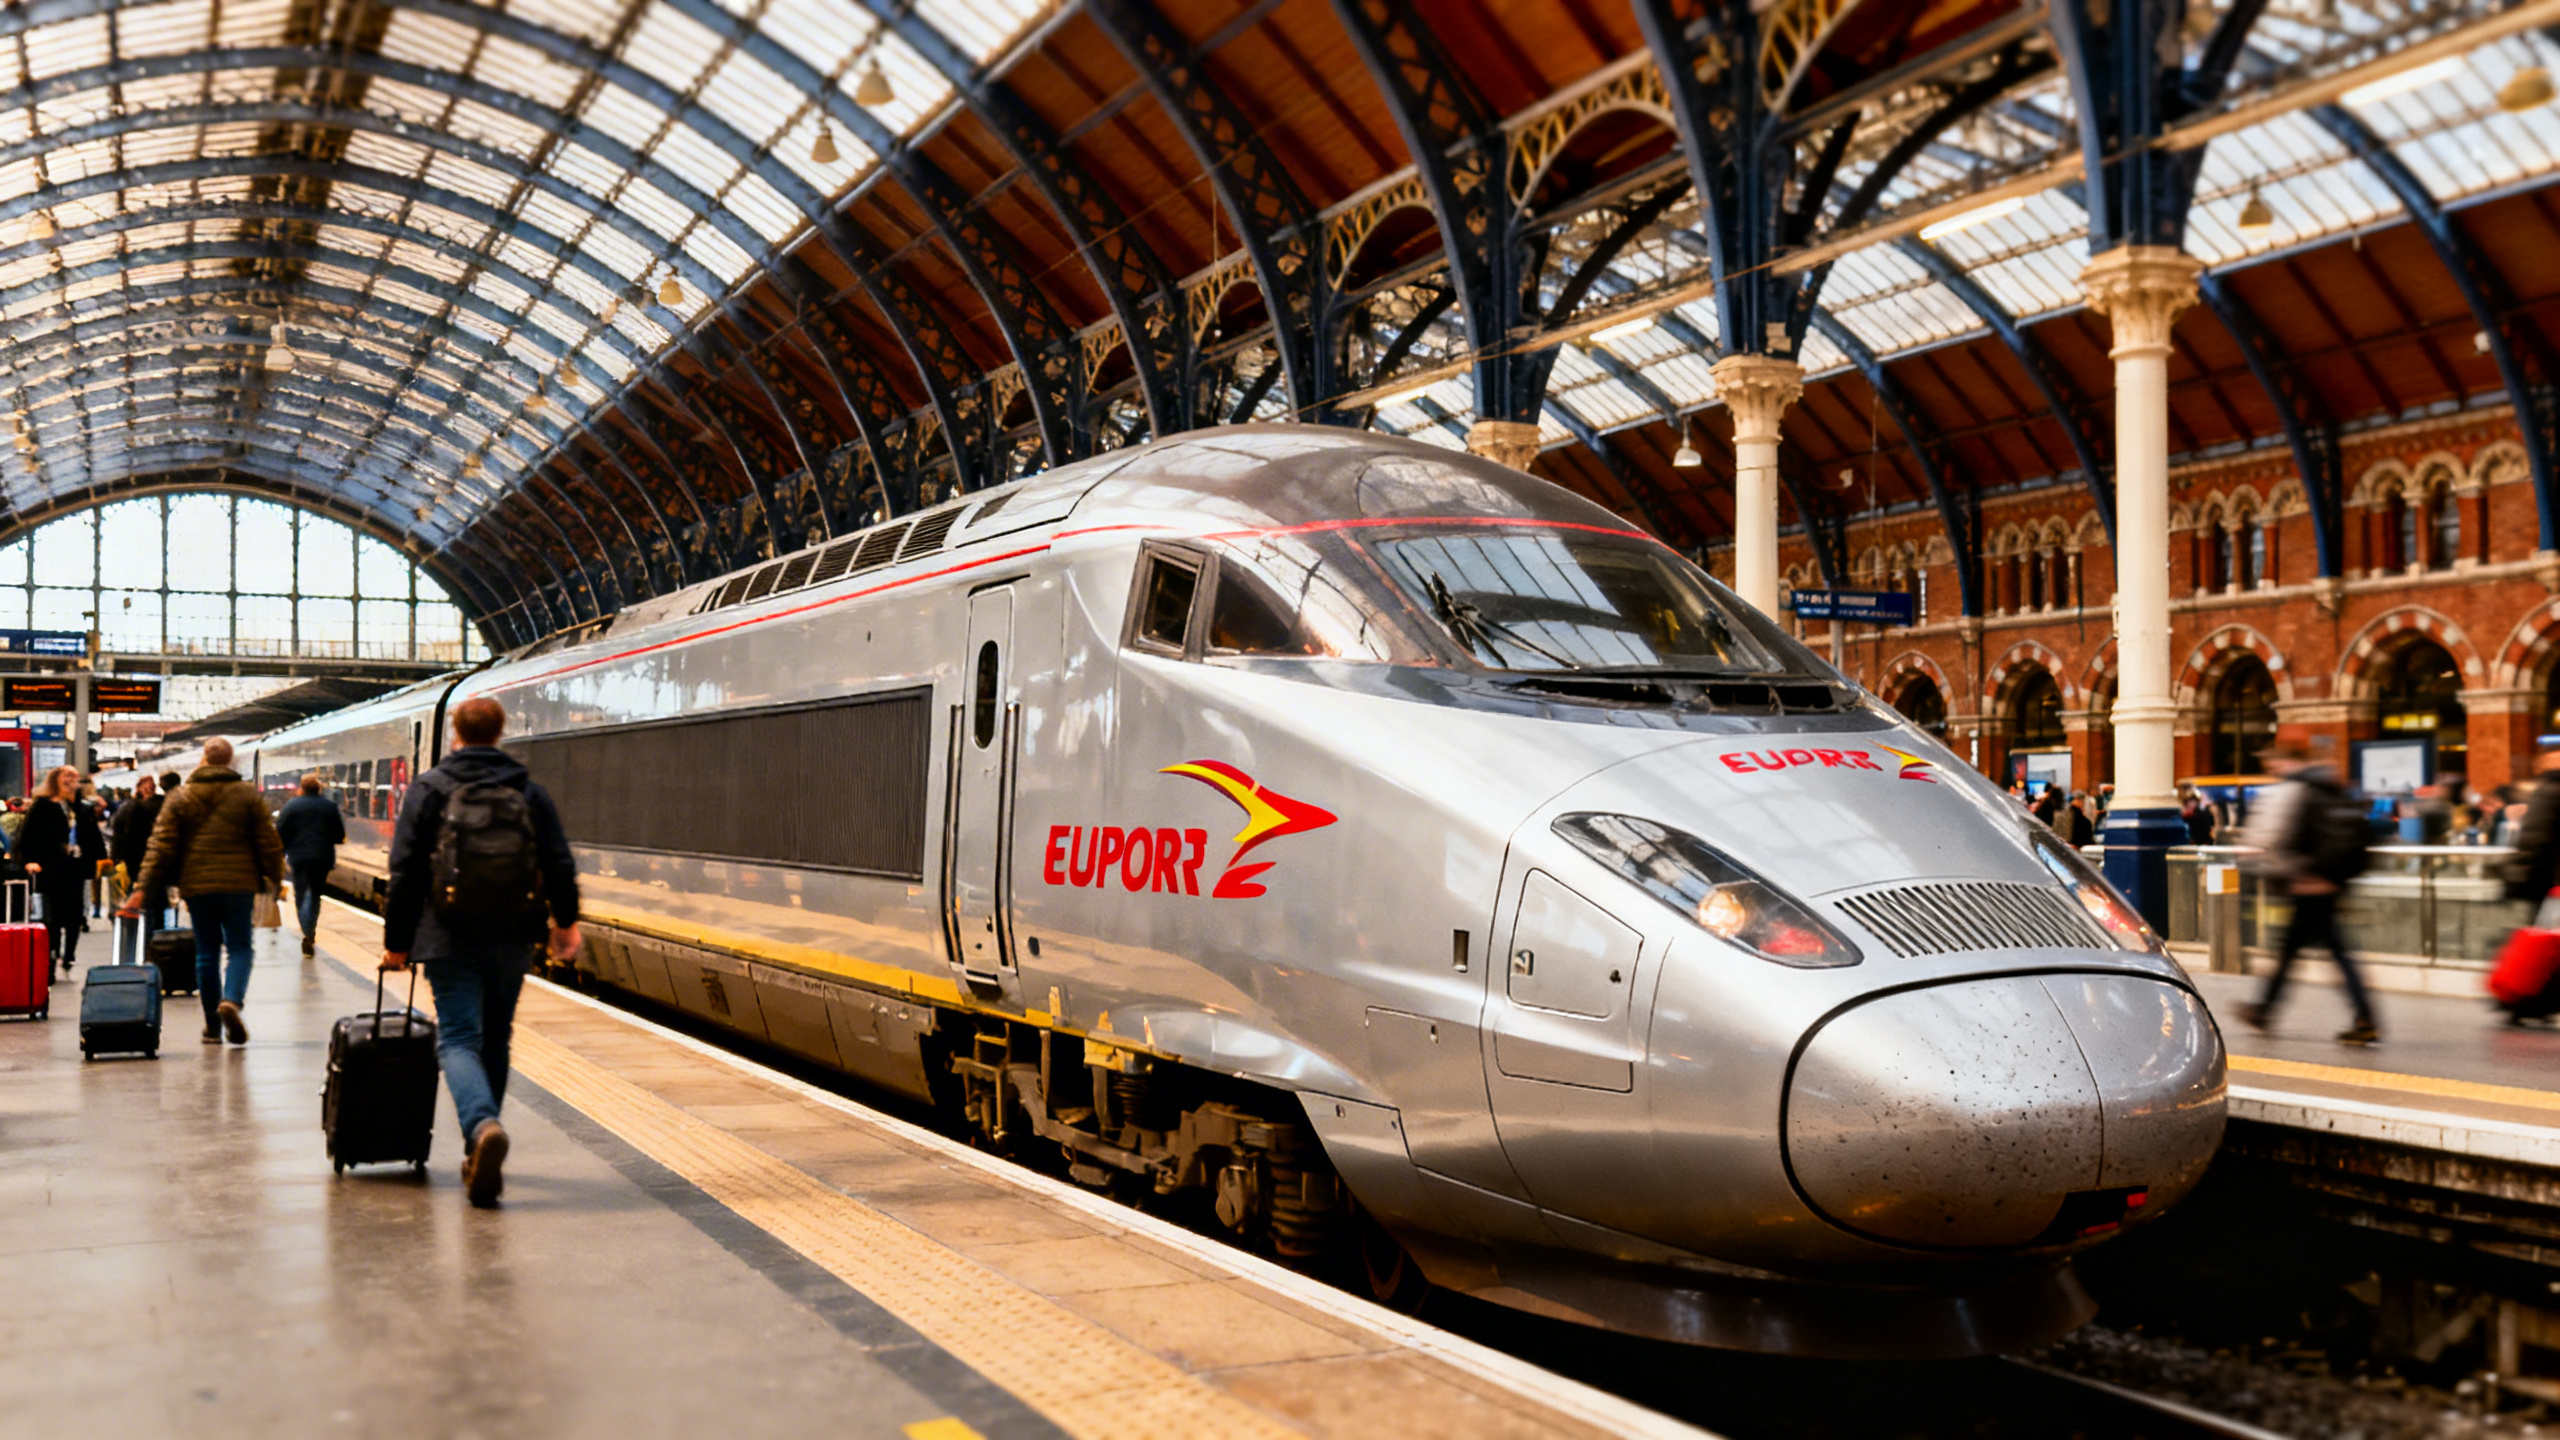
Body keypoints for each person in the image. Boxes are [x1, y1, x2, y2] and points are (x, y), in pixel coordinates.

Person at [382, 697, 579, 1208]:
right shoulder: (528, 790)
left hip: (445, 936)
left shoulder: (428, 789)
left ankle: (482, 1127)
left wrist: (397, 945)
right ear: (500, 732)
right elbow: (558, 861)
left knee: (458, 1039)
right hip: (513, 936)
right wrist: (566, 924)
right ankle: (480, 1144)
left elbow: (404, 872)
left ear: (455, 734)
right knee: (497, 1037)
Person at [117, 738, 284, 1045]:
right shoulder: (247, 795)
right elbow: (269, 843)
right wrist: (275, 880)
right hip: (239, 884)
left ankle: (212, 1026)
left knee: (206, 952)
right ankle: (231, 1000)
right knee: (240, 948)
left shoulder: (181, 796)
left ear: (204, 759)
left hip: (196, 886)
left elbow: (159, 847)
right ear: (231, 761)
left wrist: (141, 889)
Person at [2237, 738, 2380, 1046]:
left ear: (2288, 761)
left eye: (2275, 763)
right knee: (2301, 951)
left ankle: (2365, 1015)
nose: (2273, 769)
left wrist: (2269, 863)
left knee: (2323, 952)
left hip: (2306, 883)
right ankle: (2263, 1010)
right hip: (2331, 882)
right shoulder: (2332, 786)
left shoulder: (2295, 789)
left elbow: (2276, 836)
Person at [17, 766, 104, 977]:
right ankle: (52, 953)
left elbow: (92, 836)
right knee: (52, 916)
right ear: (55, 780)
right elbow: (28, 836)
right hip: (51, 867)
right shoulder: (43, 806)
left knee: (75, 913)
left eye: (74, 777)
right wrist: (30, 860)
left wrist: (99, 861)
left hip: (75, 867)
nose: (72, 781)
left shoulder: (81, 808)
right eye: (67, 776)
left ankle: (69, 953)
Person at [275, 774, 344, 958]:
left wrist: (282, 851)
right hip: (322, 858)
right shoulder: (330, 807)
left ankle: (306, 930)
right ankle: (310, 932)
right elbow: (339, 835)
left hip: (298, 858)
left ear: (301, 788)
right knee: (315, 893)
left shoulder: (291, 806)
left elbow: (280, 832)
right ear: (319, 789)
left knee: (300, 893)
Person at [106, 775, 161, 963]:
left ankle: (137, 944)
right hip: (144, 862)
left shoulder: (127, 808)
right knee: (151, 904)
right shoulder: (146, 808)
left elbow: (117, 835)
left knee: (138, 900)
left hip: (134, 862)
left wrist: (116, 858)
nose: (150, 790)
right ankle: (151, 945)